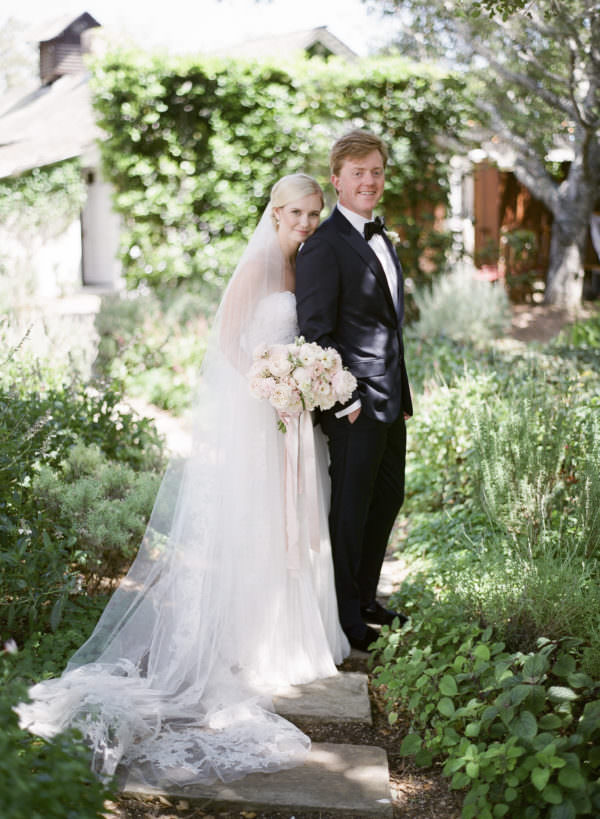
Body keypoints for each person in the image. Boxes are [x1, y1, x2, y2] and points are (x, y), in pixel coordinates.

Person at [17, 173, 350, 789]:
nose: (305, 222)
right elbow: (228, 340)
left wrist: (305, 383)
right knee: (254, 519)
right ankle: (249, 642)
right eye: (295, 213)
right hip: (258, 412)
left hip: (289, 414)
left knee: (293, 513)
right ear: (273, 212)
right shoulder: (256, 269)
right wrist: (270, 387)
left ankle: (291, 639)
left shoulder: (305, 266)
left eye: (313, 213)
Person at [296, 130, 413, 653]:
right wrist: (343, 401)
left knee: (387, 498)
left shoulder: (381, 237)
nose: (369, 181)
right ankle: (345, 618)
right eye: (359, 172)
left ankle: (366, 597)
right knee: (348, 510)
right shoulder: (323, 247)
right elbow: (315, 331)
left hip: (390, 399)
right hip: (353, 405)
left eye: (377, 172)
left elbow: (386, 325)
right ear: (337, 179)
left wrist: (398, 394)